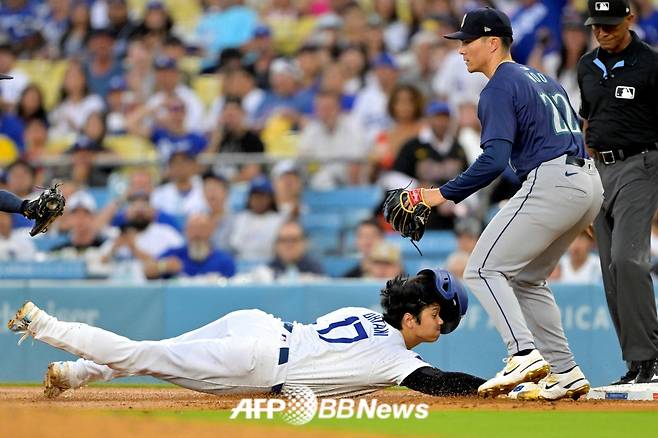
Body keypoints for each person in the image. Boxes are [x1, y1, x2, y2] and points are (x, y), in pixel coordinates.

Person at [387, 8, 604, 401]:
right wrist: (580, 202)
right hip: (585, 181)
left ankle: (521, 353)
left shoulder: (499, 85)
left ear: (492, 42)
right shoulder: (545, 79)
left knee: (482, 270)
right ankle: (567, 371)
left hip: (555, 180)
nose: (461, 49)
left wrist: (438, 194)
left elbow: (494, 161)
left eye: (467, 41)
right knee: (527, 280)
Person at [7, 269, 484, 399]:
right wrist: (495, 385)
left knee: (163, 349)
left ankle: (73, 374)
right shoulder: (398, 360)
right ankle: (45, 325)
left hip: (258, 323)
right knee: (145, 356)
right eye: (438, 313)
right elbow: (439, 383)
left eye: (447, 317)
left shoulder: (364, 313)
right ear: (411, 315)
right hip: (259, 362)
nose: (442, 323)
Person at [577, 0, 658, 385]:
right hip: (599, 172)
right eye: (597, 25)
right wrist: (585, 187)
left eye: (610, 25)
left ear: (630, 18)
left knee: (628, 261)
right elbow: (587, 123)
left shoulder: (651, 63)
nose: (602, 32)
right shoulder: (586, 66)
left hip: (641, 165)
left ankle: (651, 358)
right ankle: (636, 364)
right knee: (611, 271)